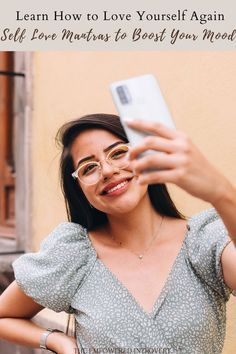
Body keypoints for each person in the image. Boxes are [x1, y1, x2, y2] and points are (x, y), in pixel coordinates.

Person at [0, 113, 235, 354]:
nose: (108, 170)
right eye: (89, 167)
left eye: (119, 152)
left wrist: (222, 194)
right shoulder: (74, 255)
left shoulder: (204, 241)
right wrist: (54, 340)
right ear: (79, 189)